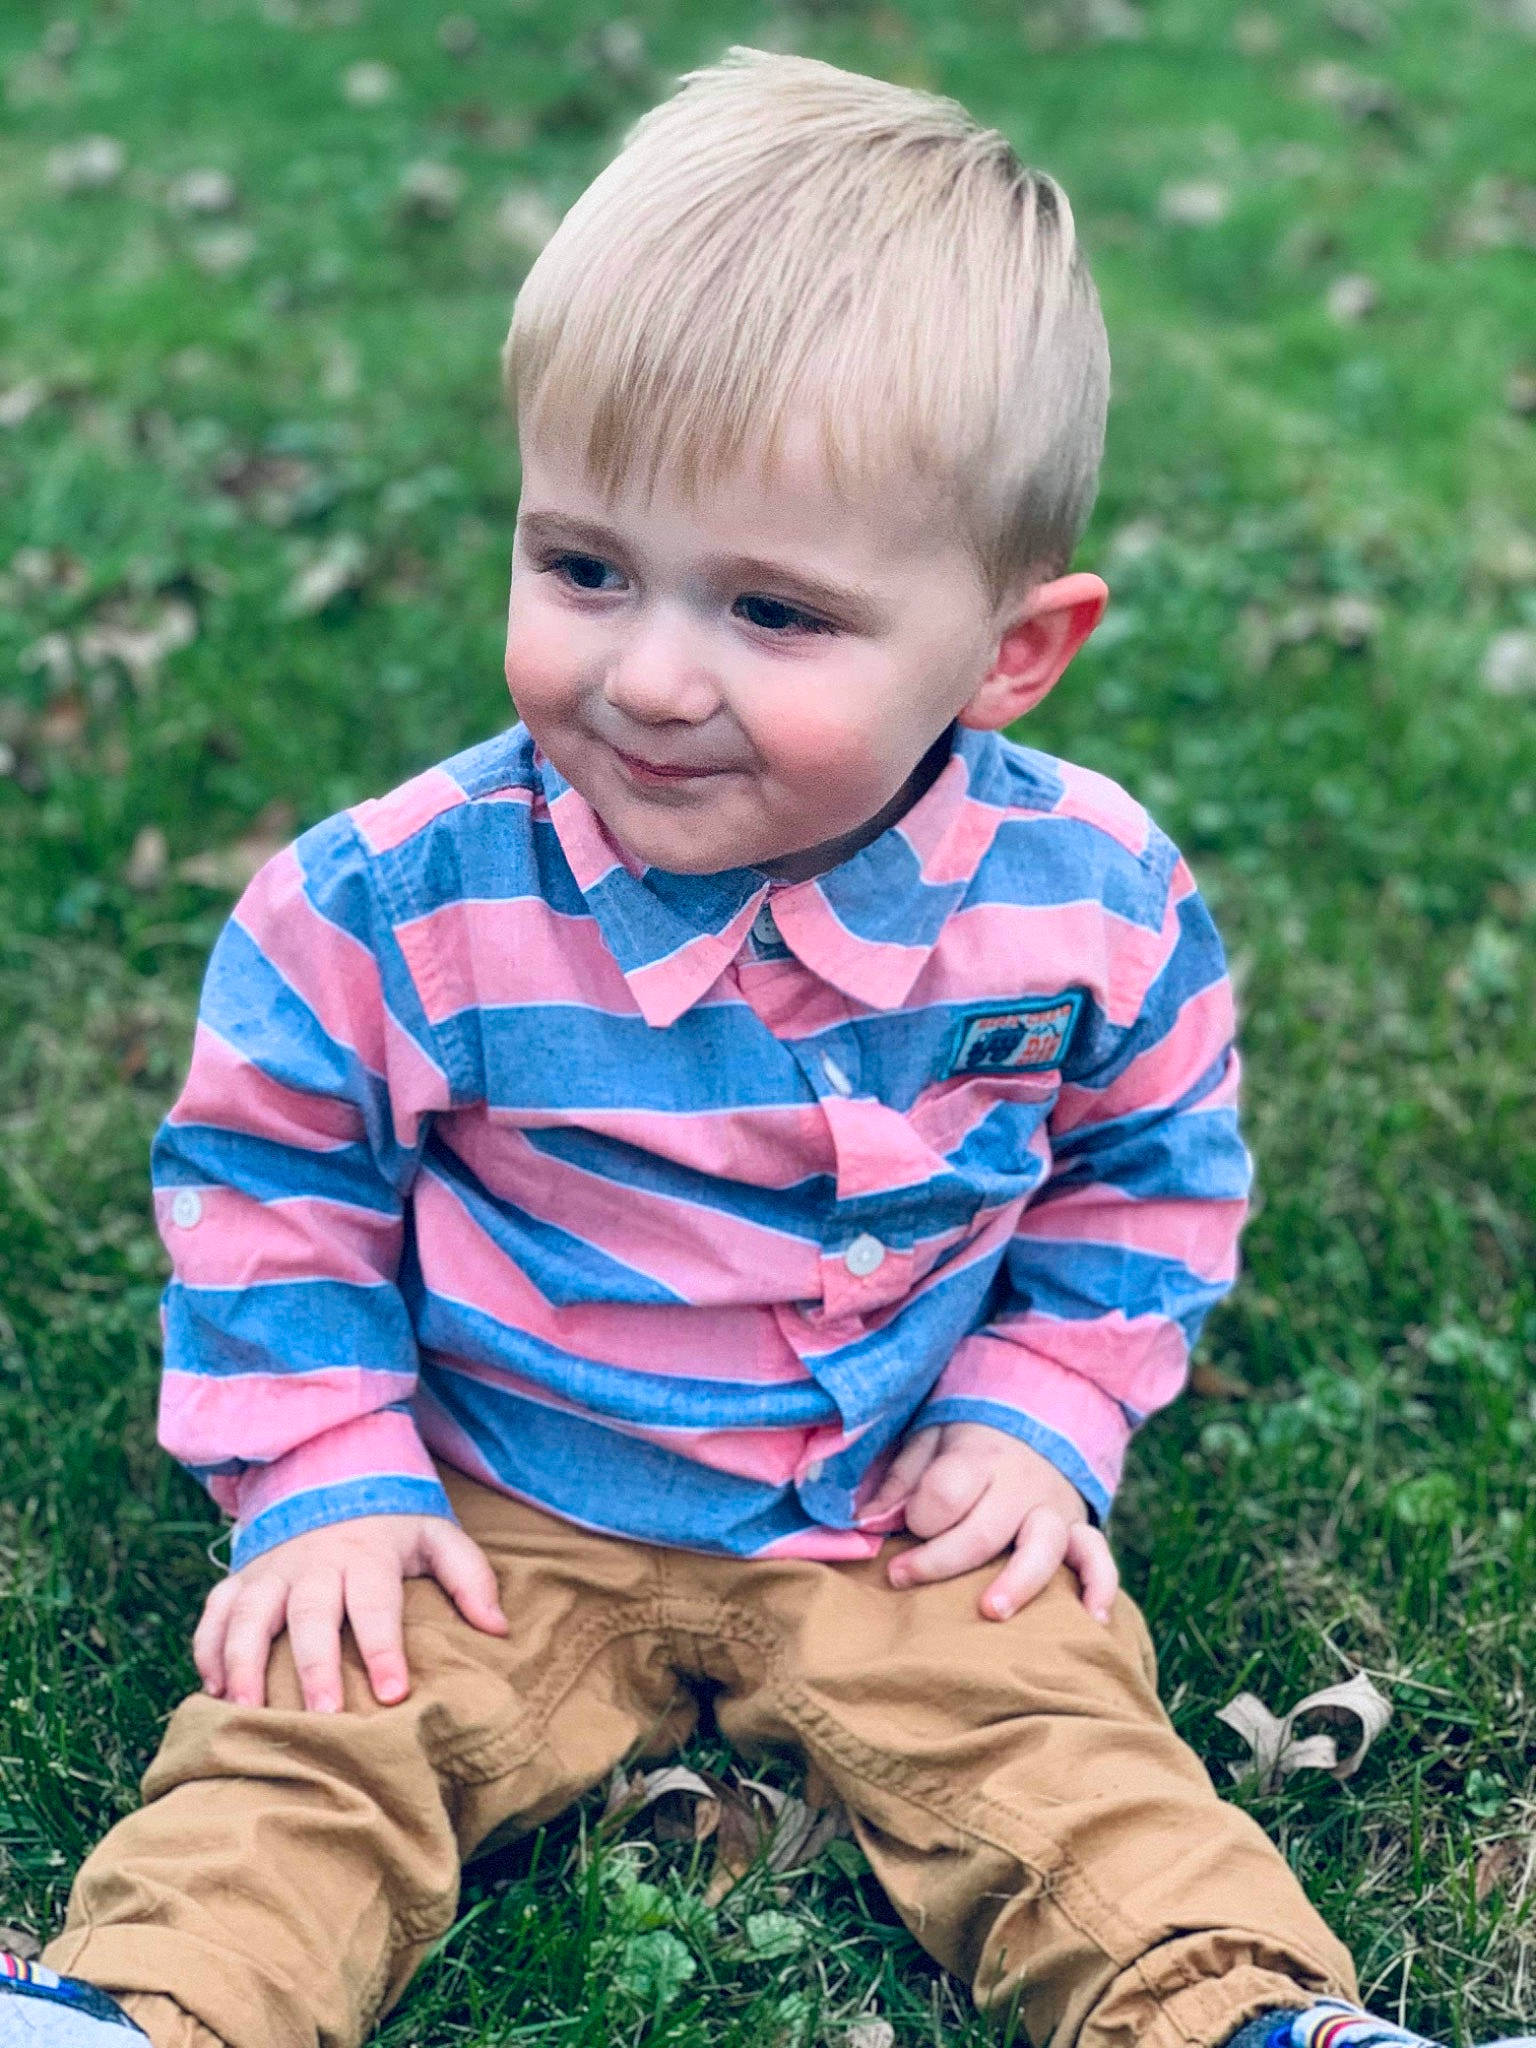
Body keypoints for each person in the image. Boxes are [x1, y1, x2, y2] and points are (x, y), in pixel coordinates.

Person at [2, 46, 1526, 2048]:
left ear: (1009, 650)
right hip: (494, 1500)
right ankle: (141, 2011)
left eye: (777, 613)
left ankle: (1246, 2020)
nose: (647, 675)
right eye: (585, 566)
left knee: (1067, 1760)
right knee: (311, 1746)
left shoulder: (1091, 902)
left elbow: (1147, 1168)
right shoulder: (393, 903)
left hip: (895, 1503)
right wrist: (332, 1470)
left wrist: (1042, 1404)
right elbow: (273, 1176)